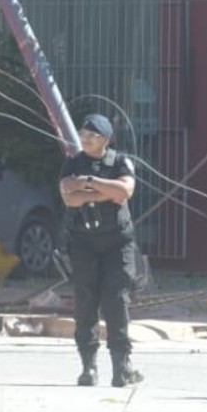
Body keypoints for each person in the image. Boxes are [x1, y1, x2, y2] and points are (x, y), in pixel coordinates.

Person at [58, 113, 144, 388]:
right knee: (85, 302)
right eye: (83, 134)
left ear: (106, 140)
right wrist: (105, 192)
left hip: (117, 243)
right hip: (83, 242)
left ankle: (121, 367)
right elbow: (69, 197)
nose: (85, 139)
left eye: (92, 136)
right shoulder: (73, 163)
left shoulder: (119, 161)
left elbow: (124, 191)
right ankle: (88, 367)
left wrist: (91, 184)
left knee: (116, 301)